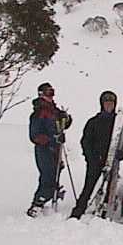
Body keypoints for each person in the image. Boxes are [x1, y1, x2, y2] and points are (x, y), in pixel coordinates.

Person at [69, 91, 123, 220]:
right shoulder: (93, 122)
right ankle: (78, 211)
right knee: (89, 186)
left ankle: (104, 211)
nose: (109, 106)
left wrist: (122, 153)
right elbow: (85, 142)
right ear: (102, 104)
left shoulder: (119, 123)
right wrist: (91, 158)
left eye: (111, 103)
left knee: (110, 188)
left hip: (112, 161)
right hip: (95, 161)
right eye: (106, 103)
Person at [27, 82, 72, 217]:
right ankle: (37, 204)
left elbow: (64, 124)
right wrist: (52, 139)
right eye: (48, 93)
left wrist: (67, 118)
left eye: (52, 92)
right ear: (41, 94)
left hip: (55, 149)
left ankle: (51, 197)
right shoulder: (39, 112)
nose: (51, 96)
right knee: (48, 175)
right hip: (45, 149)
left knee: (55, 173)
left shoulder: (54, 110)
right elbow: (34, 135)